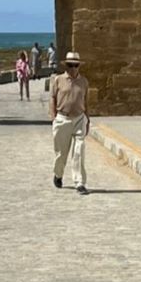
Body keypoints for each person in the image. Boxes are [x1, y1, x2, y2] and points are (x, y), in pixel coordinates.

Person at [49, 51, 89, 195]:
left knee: (79, 150)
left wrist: (87, 118)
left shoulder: (84, 81)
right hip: (62, 118)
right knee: (61, 153)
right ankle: (58, 174)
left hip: (79, 118)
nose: (73, 68)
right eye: (70, 65)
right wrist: (53, 117)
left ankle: (79, 182)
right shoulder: (58, 80)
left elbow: (85, 101)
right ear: (66, 66)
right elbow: (52, 98)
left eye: (75, 65)